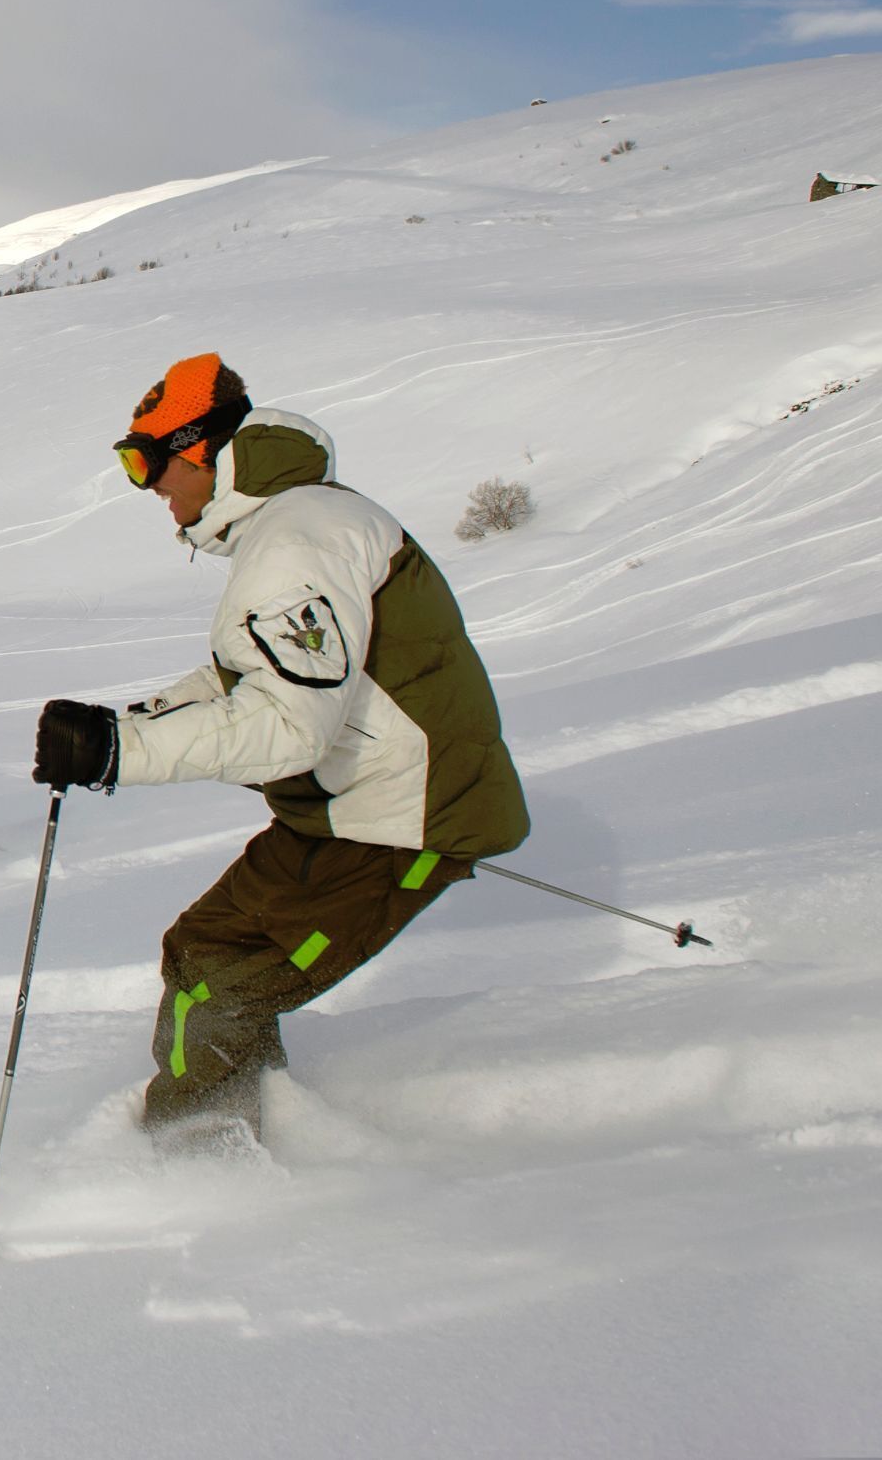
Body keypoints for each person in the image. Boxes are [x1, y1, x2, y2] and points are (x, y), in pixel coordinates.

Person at [31, 354, 529, 1146]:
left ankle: (196, 1163)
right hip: (349, 812)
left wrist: (118, 754)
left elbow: (291, 725)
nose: (148, 486)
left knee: (222, 985)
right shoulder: (296, 525)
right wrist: (125, 724)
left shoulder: (297, 542)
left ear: (200, 450)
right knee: (204, 952)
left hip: (399, 819)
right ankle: (239, 1129)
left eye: (146, 462)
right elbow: (251, 677)